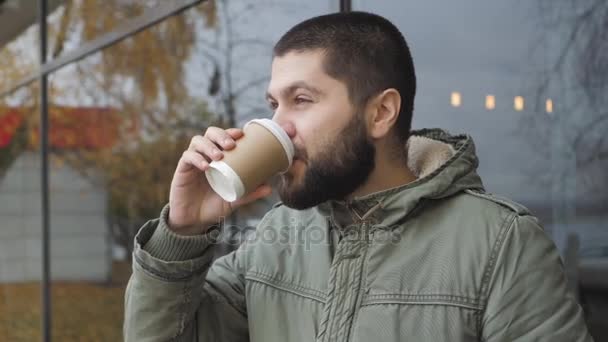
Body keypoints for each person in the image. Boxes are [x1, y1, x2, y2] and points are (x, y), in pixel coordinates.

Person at [124, 11, 593, 341]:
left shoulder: (501, 243)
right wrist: (182, 231)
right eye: (273, 104)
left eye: (301, 100)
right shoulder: (276, 235)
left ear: (381, 112)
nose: (275, 126)